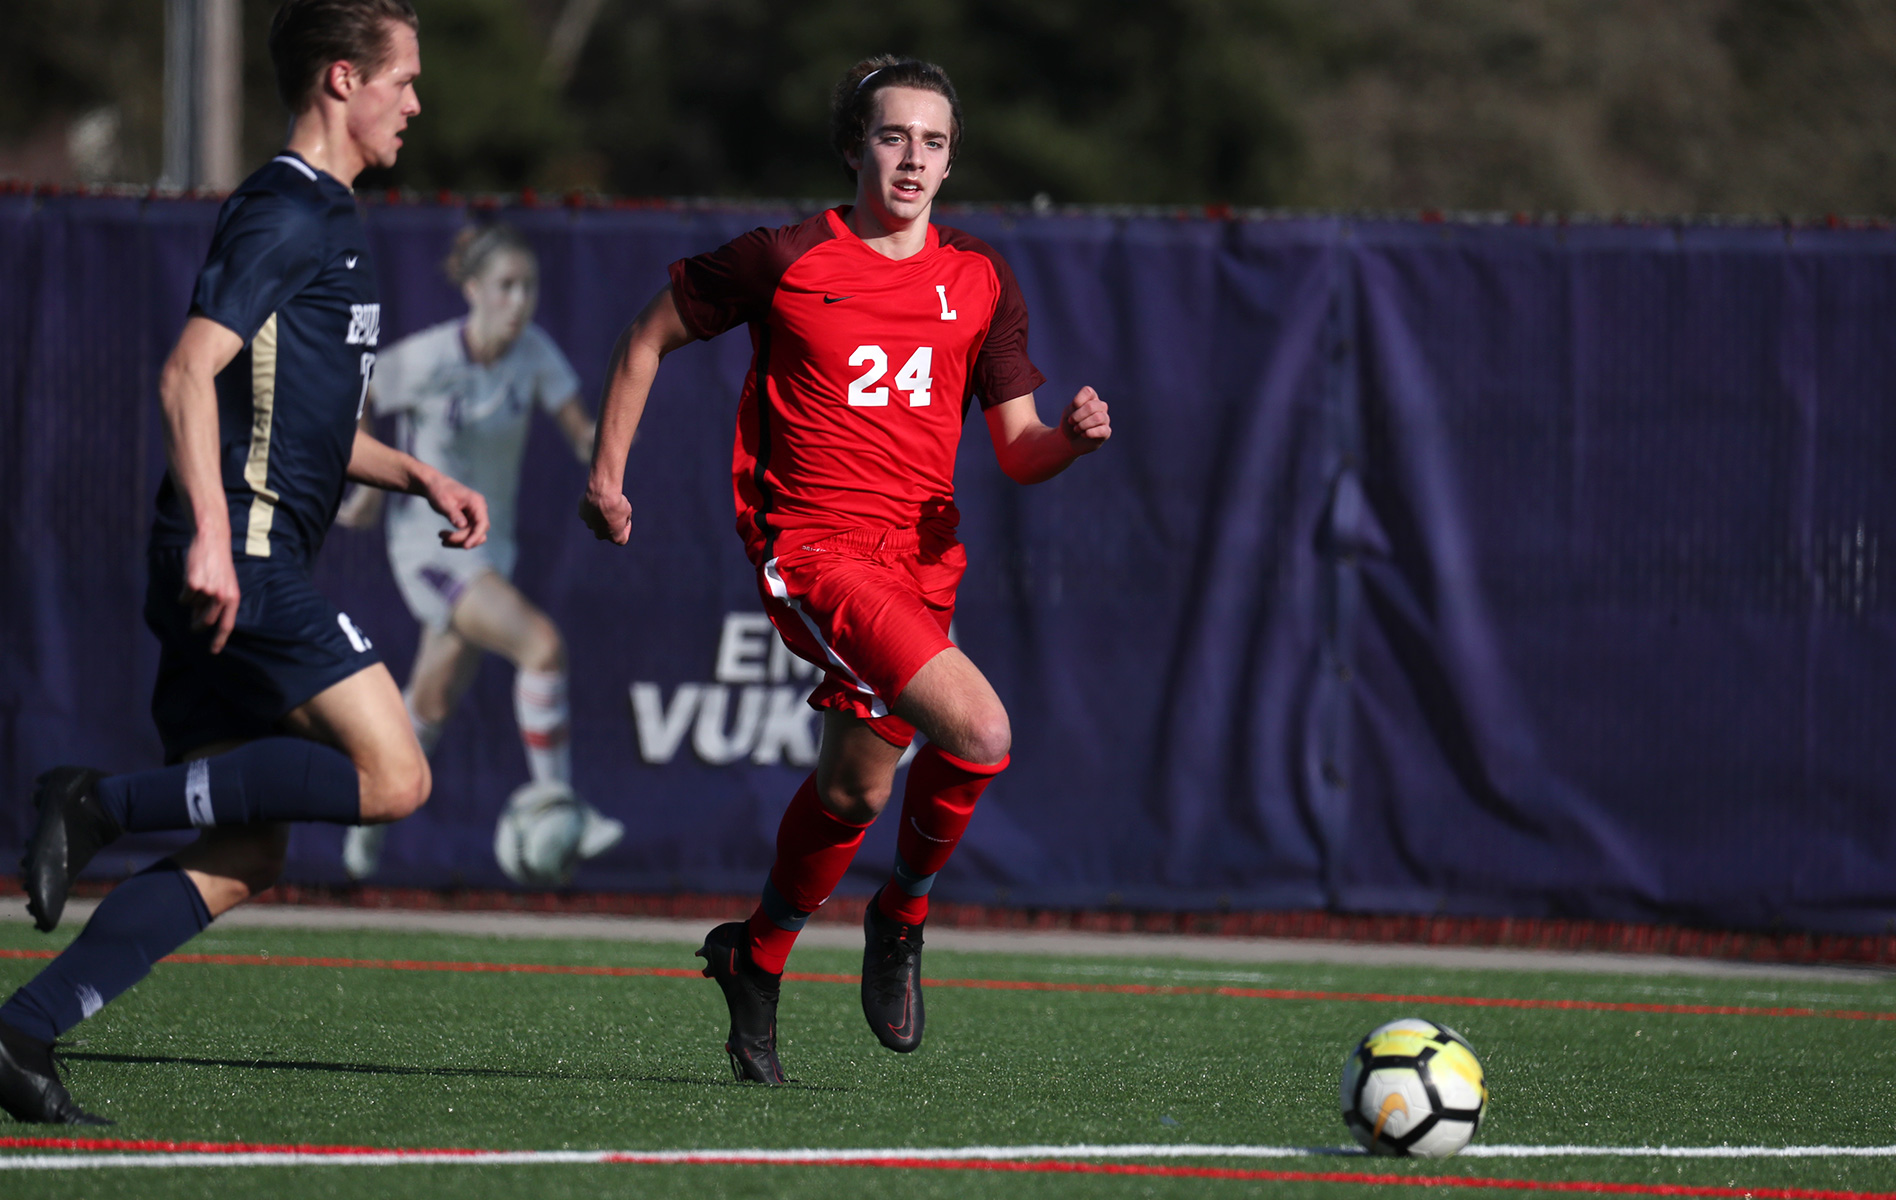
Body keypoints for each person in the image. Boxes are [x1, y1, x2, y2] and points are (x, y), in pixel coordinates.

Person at [579, 54, 1113, 1084]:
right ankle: (902, 917)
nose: (913, 158)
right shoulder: (783, 258)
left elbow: (1016, 448)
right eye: (893, 135)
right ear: (852, 147)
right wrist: (607, 479)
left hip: (925, 564)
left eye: (934, 141)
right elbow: (645, 336)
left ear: (952, 161)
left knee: (856, 789)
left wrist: (1073, 441)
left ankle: (756, 954)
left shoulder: (979, 282)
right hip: (818, 550)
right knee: (983, 730)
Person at [0, 0, 487, 1124]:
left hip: (239, 552)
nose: (415, 101)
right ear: (338, 81)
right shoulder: (285, 211)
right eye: (401, 79)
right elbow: (185, 375)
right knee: (397, 776)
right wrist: (219, 540)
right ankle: (99, 802)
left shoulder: (333, 218)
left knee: (249, 847)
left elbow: (307, 420)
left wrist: (418, 476)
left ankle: (24, 1031)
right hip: (244, 555)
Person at [336, 224, 623, 881]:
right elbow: (357, 396)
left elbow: (580, 428)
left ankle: (367, 815)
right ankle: (560, 801)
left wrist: (610, 458)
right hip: (429, 548)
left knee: (432, 700)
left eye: (528, 287)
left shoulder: (534, 354)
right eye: (505, 287)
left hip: (493, 549)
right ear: (473, 290)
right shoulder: (431, 358)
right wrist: (374, 481)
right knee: (542, 645)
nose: (518, 301)